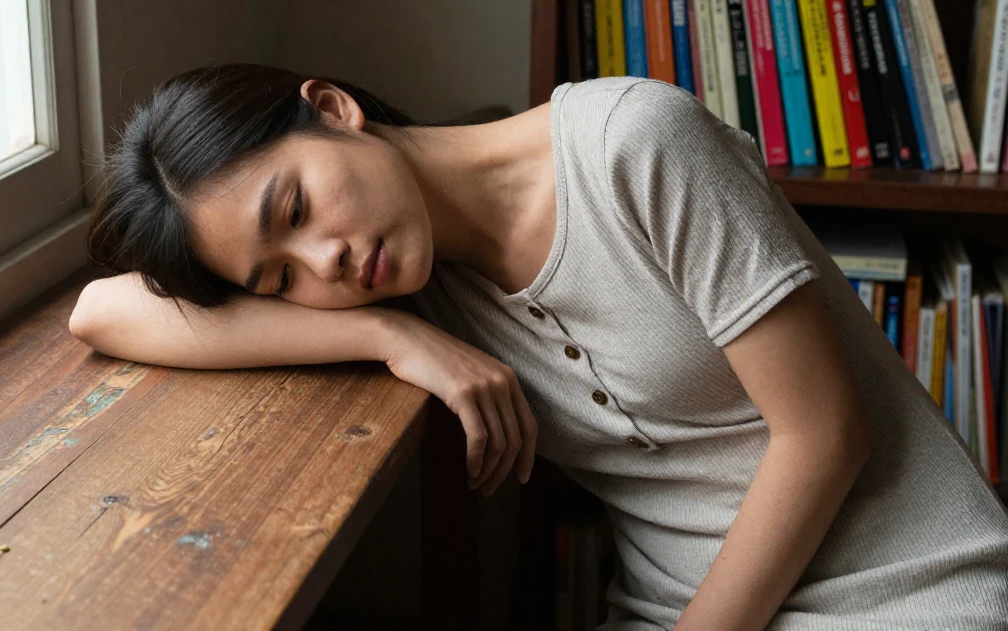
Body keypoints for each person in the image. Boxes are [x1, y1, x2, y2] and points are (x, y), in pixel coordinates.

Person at [69, 63, 1008, 630]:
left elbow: (824, 435)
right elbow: (102, 312)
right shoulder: (415, 291)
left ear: (334, 109)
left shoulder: (635, 143)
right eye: (280, 280)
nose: (328, 262)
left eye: (297, 207)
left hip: (916, 592)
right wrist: (386, 333)